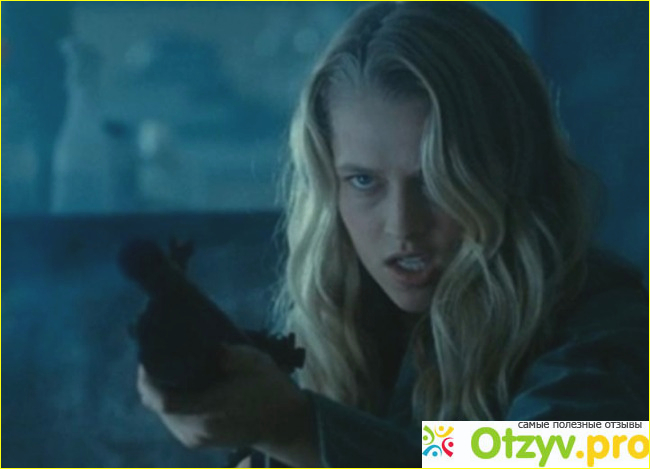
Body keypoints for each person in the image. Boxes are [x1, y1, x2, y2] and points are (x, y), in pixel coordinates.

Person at [137, 2, 648, 467]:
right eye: (364, 181)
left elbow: (551, 458)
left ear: (507, 172)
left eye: (437, 181)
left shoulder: (612, 320)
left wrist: (297, 429)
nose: (403, 225)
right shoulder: (348, 321)